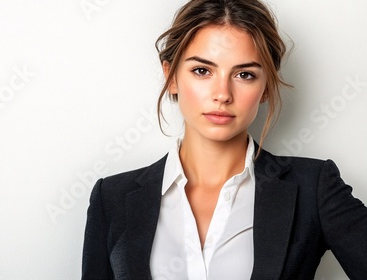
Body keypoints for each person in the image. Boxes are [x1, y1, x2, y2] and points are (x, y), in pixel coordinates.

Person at [81, 0, 367, 279]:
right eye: (202, 70)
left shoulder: (313, 188)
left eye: (244, 74)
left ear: (266, 87)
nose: (222, 94)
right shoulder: (112, 198)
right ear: (171, 77)